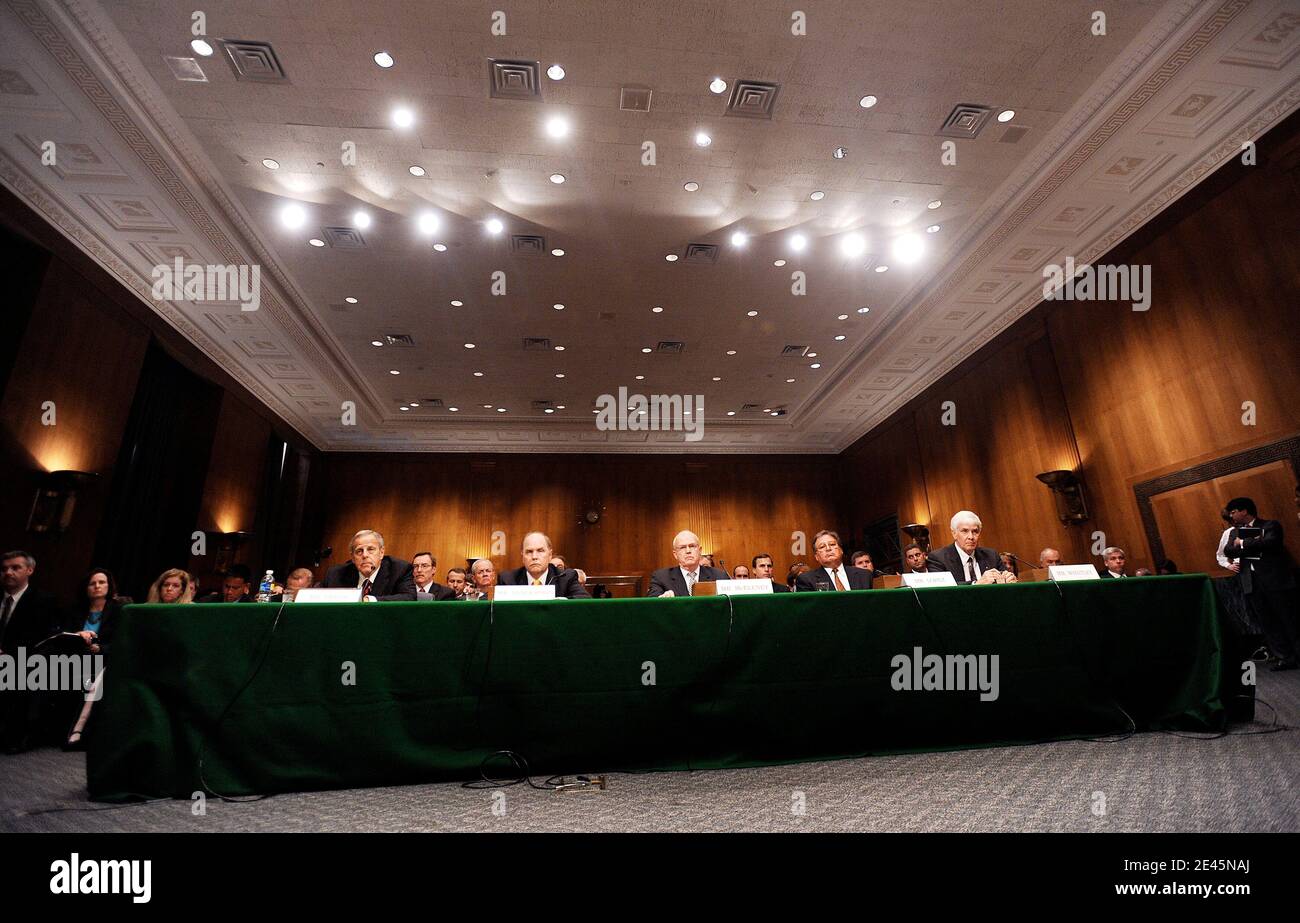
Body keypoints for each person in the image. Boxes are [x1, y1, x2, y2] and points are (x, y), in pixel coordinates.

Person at [1222, 497, 1298, 670]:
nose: (1231, 516)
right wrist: (1253, 543)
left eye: (1233, 512)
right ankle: (1285, 658)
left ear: (1244, 511)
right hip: (1252, 584)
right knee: (1268, 623)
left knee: (1289, 619)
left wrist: (1243, 543)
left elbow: (1271, 542)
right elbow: (1229, 550)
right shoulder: (1235, 531)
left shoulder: (1270, 525)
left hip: (1276, 581)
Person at [1, 551, 64, 753]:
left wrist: (7, 654)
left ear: (30, 570)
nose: (8, 572)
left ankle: (13, 737)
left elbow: (40, 638)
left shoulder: (43, 601)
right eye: (4, 569)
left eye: (15, 568)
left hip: (22, 658)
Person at [322, 530, 417, 601]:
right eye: (359, 551)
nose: (365, 555)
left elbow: (409, 597)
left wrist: (371, 600)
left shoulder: (399, 569)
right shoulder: (335, 574)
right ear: (352, 557)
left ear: (381, 553)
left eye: (370, 549)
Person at [926, 512, 1015, 584]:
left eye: (975, 531)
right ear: (954, 534)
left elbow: (1004, 580)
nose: (971, 537)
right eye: (965, 531)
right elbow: (942, 589)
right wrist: (976, 584)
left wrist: (1008, 579)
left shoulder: (991, 555)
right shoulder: (938, 558)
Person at [498, 532, 590, 598]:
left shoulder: (565, 577)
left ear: (550, 555)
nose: (534, 557)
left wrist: (561, 603)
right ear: (522, 556)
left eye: (540, 551)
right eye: (529, 552)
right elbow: (485, 602)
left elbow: (584, 599)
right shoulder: (508, 579)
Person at [648, 530, 728, 597]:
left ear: (700, 550)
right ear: (675, 554)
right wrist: (662, 599)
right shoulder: (661, 578)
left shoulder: (719, 576)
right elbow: (652, 604)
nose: (688, 551)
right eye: (682, 547)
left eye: (692, 546)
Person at [795, 531, 873, 591]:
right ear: (816, 557)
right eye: (822, 547)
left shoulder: (864, 575)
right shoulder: (806, 580)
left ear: (841, 550)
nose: (828, 549)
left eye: (832, 544)